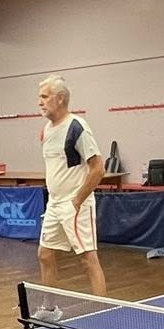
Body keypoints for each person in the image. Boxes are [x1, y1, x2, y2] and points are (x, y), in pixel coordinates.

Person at [33, 76, 107, 299]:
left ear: (60, 98)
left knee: (88, 259)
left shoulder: (77, 128)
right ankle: (49, 308)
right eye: (40, 97)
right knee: (45, 254)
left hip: (76, 205)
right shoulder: (46, 130)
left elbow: (98, 169)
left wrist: (77, 201)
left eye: (45, 97)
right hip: (54, 204)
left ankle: (104, 312)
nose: (40, 102)